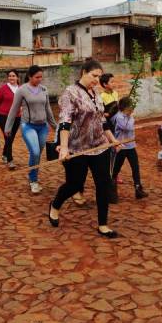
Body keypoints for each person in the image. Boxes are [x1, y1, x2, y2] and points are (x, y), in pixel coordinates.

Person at [49, 59, 121, 238]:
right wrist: (64, 148)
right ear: (83, 72)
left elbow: (102, 121)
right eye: (94, 75)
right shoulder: (70, 93)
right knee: (74, 184)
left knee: (103, 184)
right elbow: (65, 121)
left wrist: (113, 140)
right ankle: (55, 205)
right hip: (77, 148)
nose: (97, 79)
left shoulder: (96, 93)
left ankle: (103, 224)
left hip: (98, 146)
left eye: (99, 76)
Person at [5, 65, 57, 193]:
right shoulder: (22, 90)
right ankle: (33, 180)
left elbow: (48, 109)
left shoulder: (44, 89)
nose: (40, 79)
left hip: (43, 126)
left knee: (37, 154)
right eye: (37, 77)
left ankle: (33, 176)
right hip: (28, 126)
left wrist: (56, 126)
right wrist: (8, 126)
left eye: (41, 77)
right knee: (34, 151)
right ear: (30, 76)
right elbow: (14, 109)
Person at [111, 97, 148, 200]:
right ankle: (112, 191)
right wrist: (131, 117)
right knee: (116, 169)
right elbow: (127, 127)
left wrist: (130, 116)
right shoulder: (119, 117)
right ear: (124, 108)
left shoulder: (127, 115)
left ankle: (138, 189)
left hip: (131, 146)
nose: (132, 109)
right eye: (130, 107)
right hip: (121, 147)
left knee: (135, 167)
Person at [0, 69, 21, 170]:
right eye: (9, 76)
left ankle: (5, 154)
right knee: (8, 137)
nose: (11, 78)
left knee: (11, 139)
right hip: (3, 116)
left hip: (17, 117)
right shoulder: (3, 89)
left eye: (13, 76)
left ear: (17, 77)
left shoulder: (21, 89)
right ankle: (10, 160)